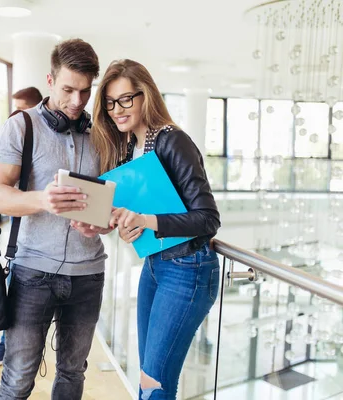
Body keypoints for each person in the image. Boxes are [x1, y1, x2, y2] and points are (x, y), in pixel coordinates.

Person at [91, 59, 221, 400]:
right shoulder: (129, 148)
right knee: (149, 378)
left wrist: (147, 221)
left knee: (156, 384)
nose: (116, 109)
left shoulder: (172, 141)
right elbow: (143, 214)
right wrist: (128, 226)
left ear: (145, 95)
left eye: (125, 99)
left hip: (189, 270)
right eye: (109, 102)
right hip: (156, 265)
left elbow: (208, 219)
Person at [0, 38, 112, 400]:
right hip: (32, 272)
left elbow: (109, 211)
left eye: (85, 92)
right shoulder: (21, 127)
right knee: (18, 378)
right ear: (50, 79)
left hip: (89, 274)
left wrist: (100, 222)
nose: (77, 102)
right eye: (68, 90)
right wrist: (43, 199)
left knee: (73, 373)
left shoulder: (101, 136)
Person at [0, 85, 43, 367]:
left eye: (22, 109)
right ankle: (4, 342)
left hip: (42, 234)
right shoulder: (12, 133)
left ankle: (9, 343)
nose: (15, 116)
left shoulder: (39, 133)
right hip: (18, 230)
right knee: (11, 290)